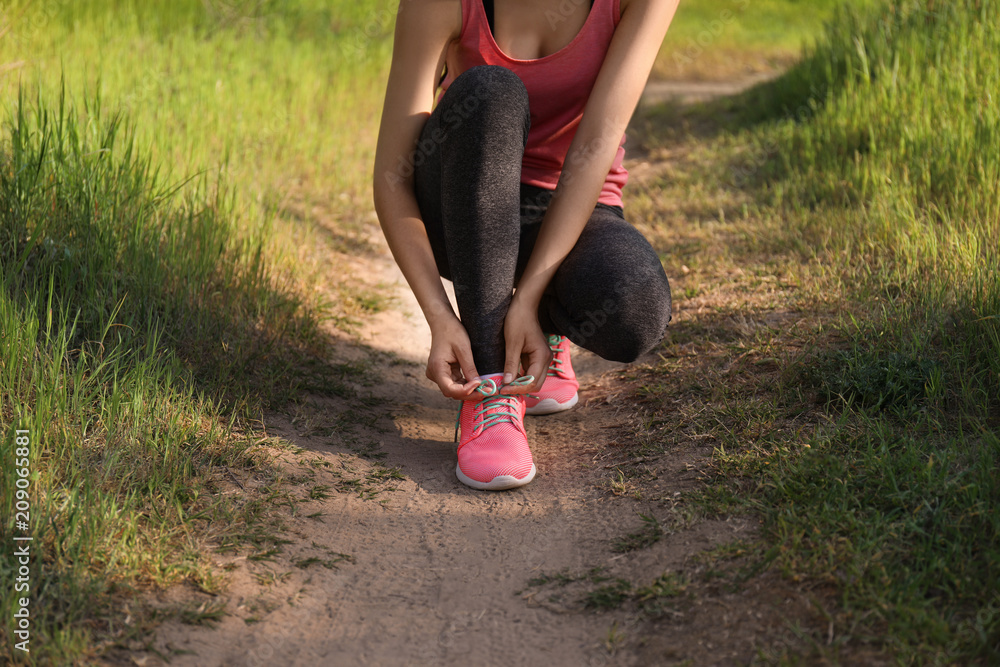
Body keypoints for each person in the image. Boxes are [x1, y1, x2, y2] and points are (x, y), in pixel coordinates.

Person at [373, 0, 677, 491]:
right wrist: (439, 315)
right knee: (491, 91)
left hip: (569, 205)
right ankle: (491, 383)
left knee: (634, 308)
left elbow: (596, 145)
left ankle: (537, 326)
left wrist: (531, 296)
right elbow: (393, 177)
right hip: (462, 207)